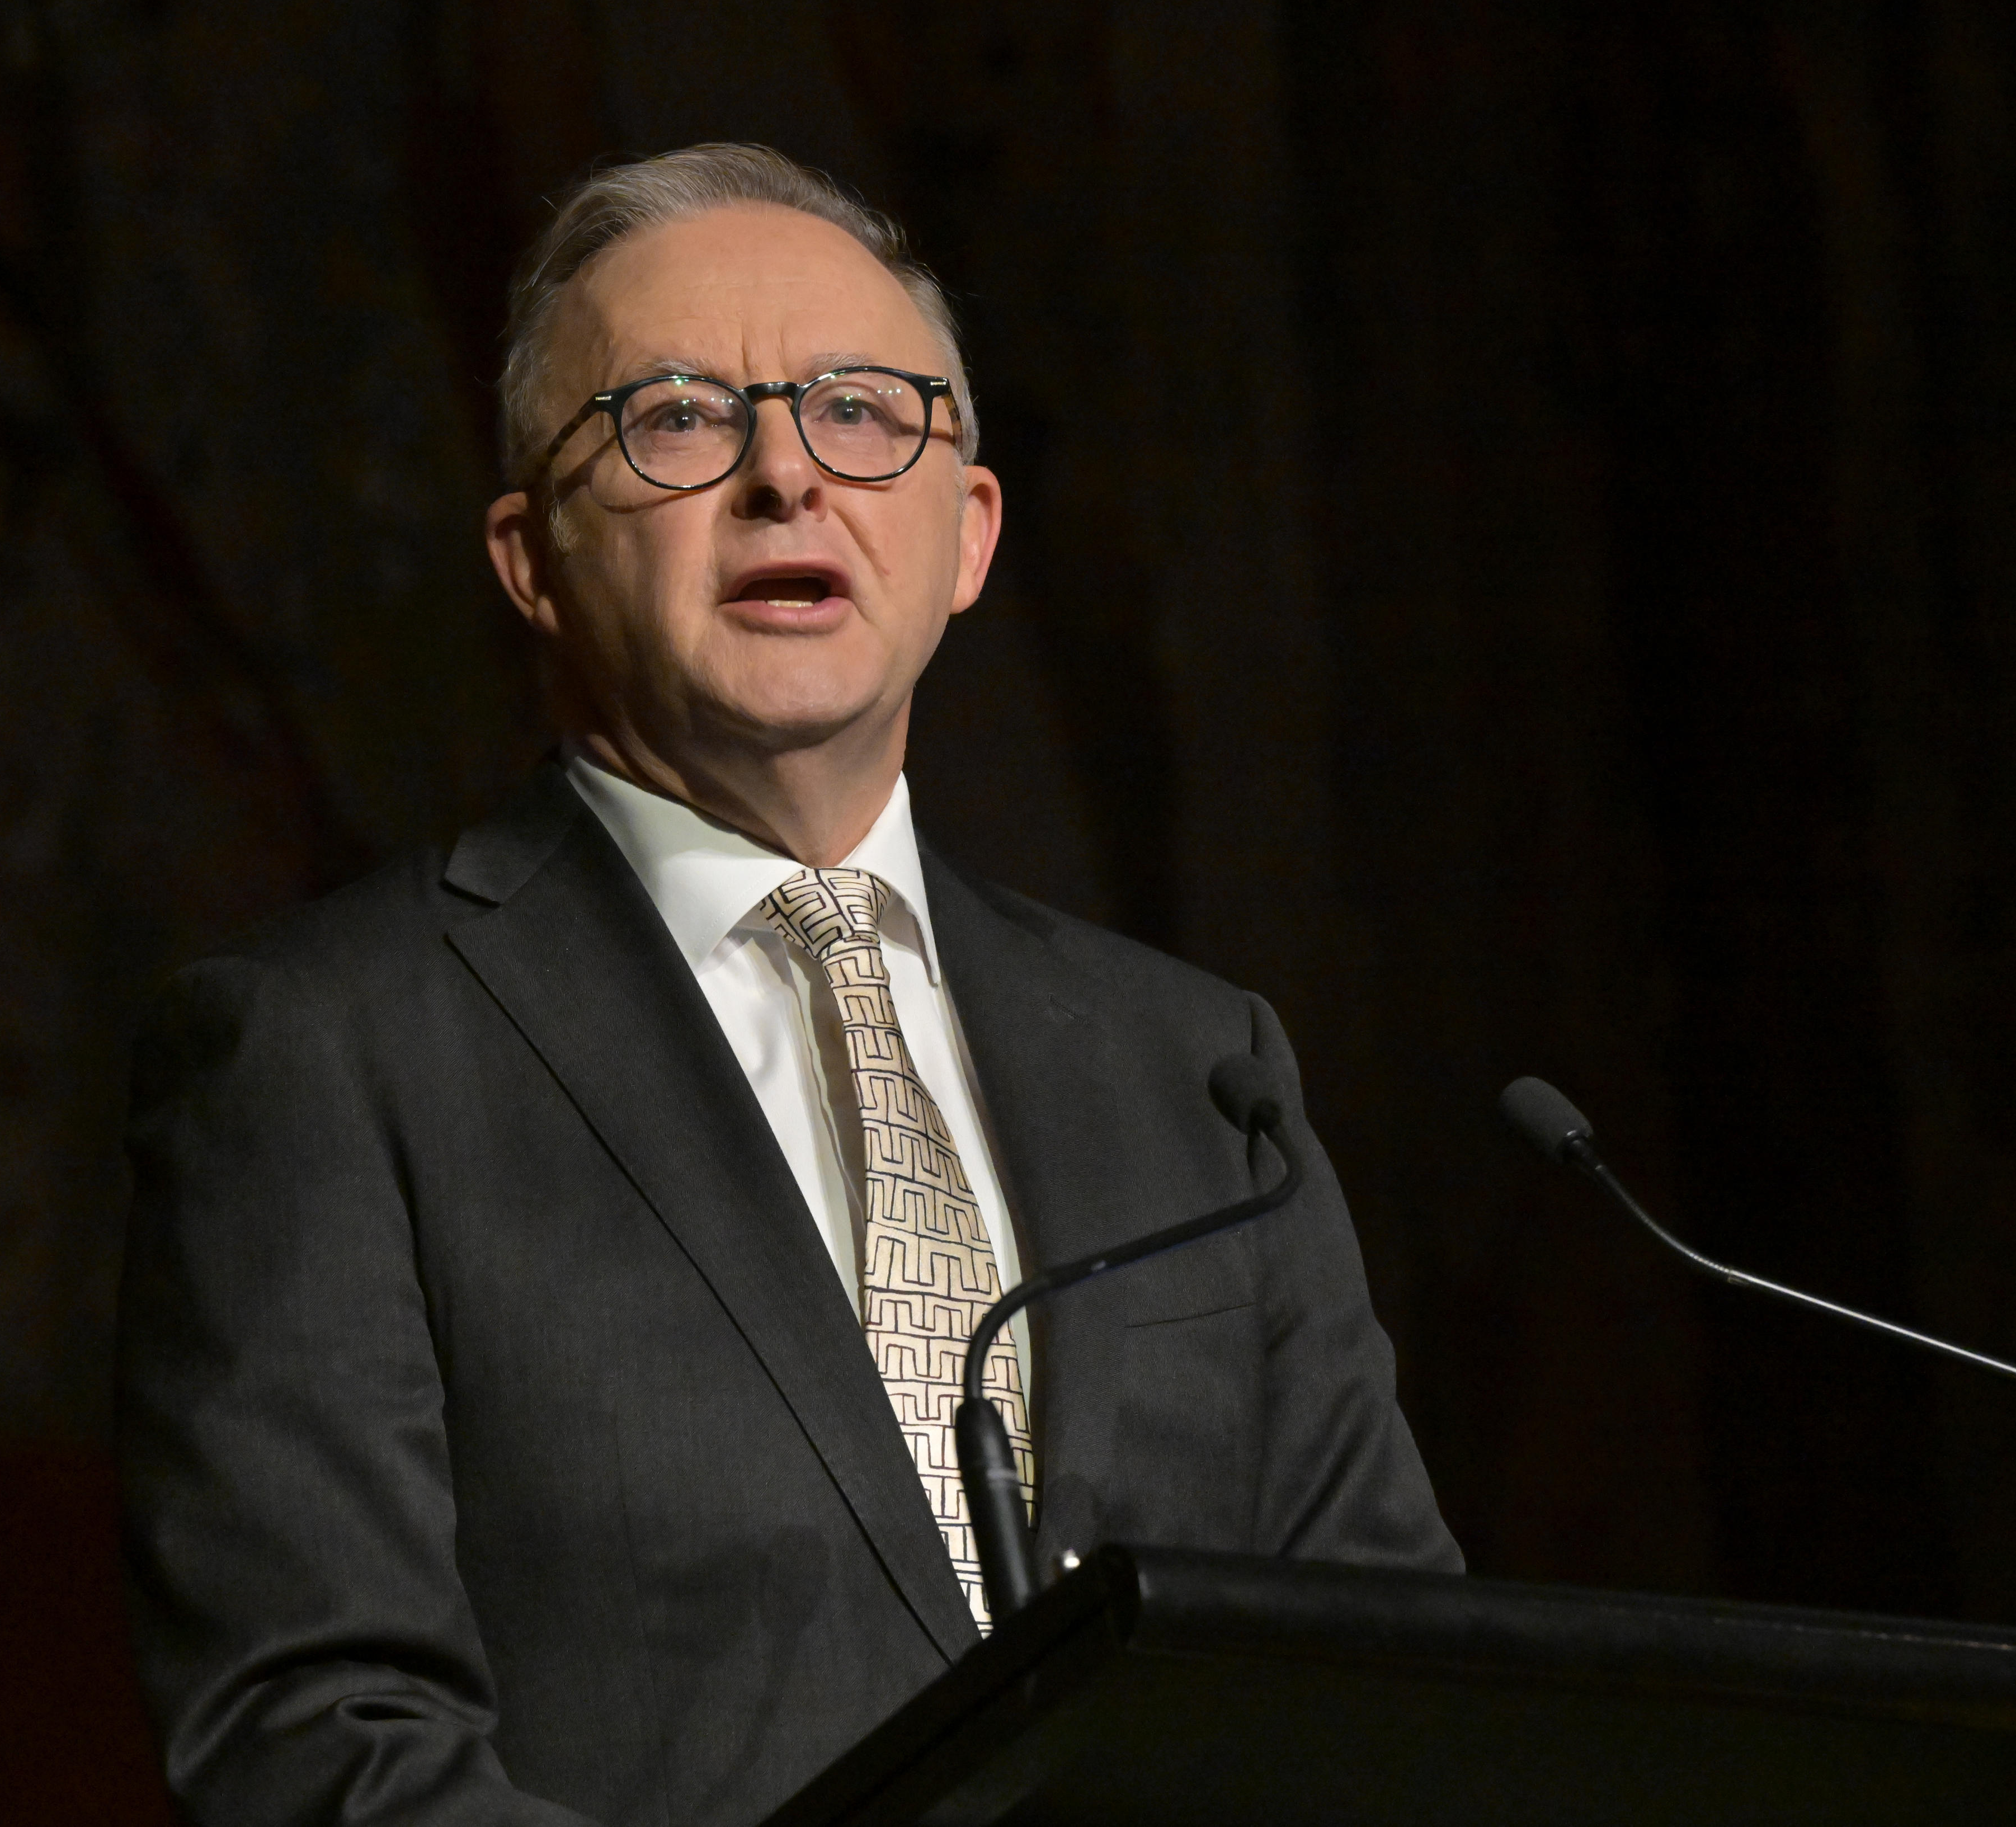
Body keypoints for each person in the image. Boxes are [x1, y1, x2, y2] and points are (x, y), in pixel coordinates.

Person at [116, 143, 1458, 1827]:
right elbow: (318, 1741)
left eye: (861, 411)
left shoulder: (1200, 1072)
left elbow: (1398, 1697)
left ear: (968, 535)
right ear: (531, 558)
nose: (784, 477)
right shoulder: (326, 1052)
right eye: (678, 418)